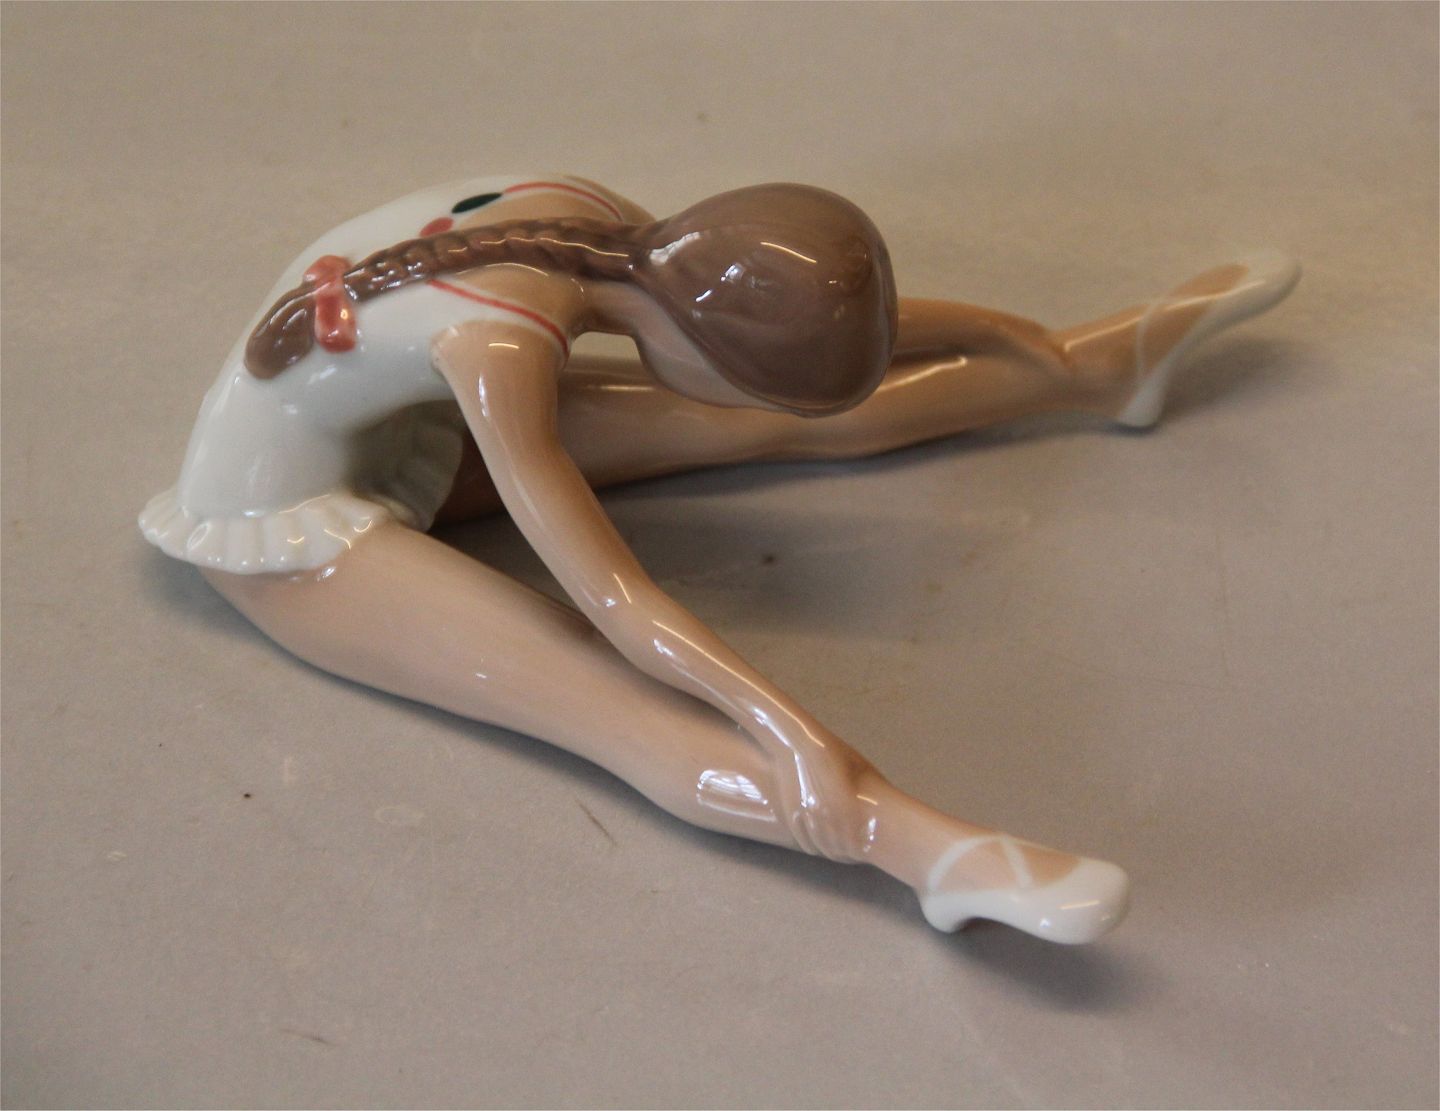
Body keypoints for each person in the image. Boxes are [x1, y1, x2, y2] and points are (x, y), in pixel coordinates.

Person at [140, 174, 1299, 944]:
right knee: (601, 696)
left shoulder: (618, 229)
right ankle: (930, 855)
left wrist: (1024, 336)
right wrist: (789, 729)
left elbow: (829, 339)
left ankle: (1100, 368)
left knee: (742, 416)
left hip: (409, 429)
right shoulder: (495, 350)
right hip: (284, 527)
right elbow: (614, 594)